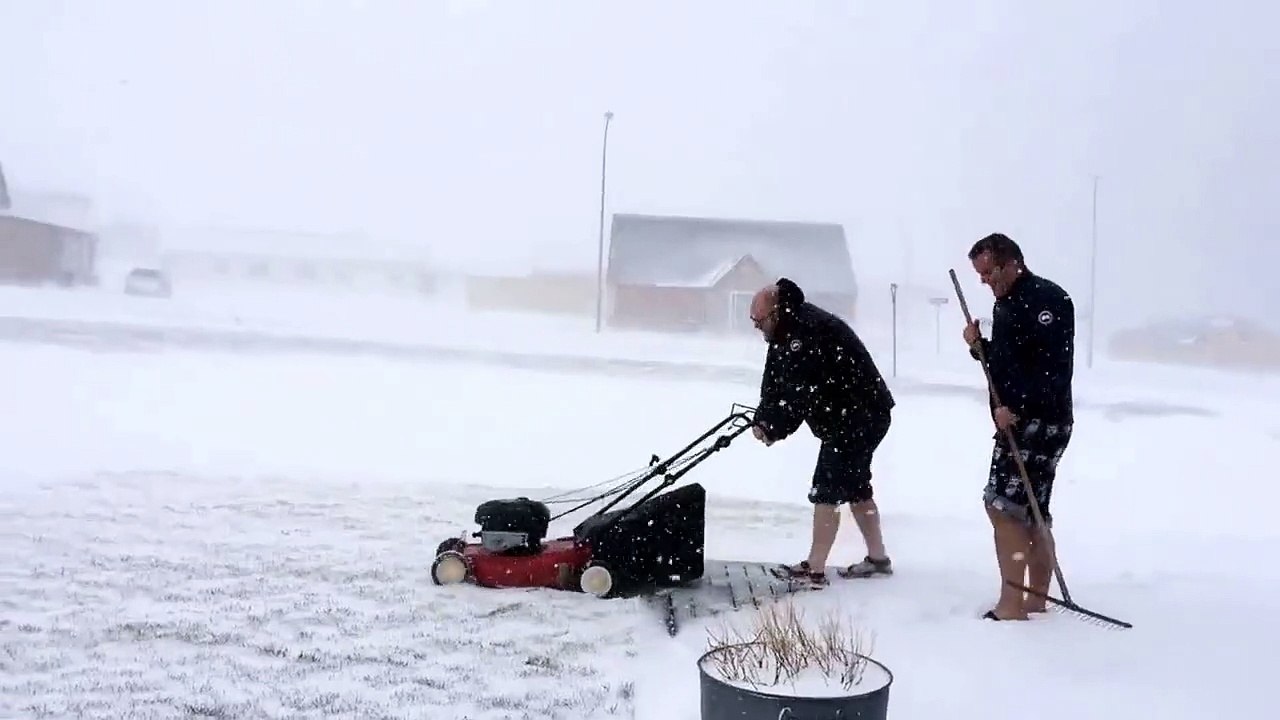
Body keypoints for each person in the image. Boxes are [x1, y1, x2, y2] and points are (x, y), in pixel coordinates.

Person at [748, 277, 896, 586]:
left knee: (826, 487)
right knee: (856, 487)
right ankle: (878, 560)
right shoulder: (784, 332)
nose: (757, 327)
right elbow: (774, 383)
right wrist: (763, 417)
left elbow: (802, 393)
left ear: (775, 312)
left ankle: (814, 571)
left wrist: (774, 428)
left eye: (759, 321)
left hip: (860, 414)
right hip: (847, 415)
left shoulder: (809, 331)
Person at [962, 232, 1075, 621]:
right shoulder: (1009, 304)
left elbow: (1053, 370)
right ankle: (1035, 599)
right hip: (1035, 419)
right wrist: (981, 347)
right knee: (1033, 509)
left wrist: (1016, 408)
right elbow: (1012, 364)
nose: (985, 281)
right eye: (979, 275)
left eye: (989, 272)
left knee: (1005, 508)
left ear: (1012, 262)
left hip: (1037, 423)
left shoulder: (1047, 300)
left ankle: (1012, 606)